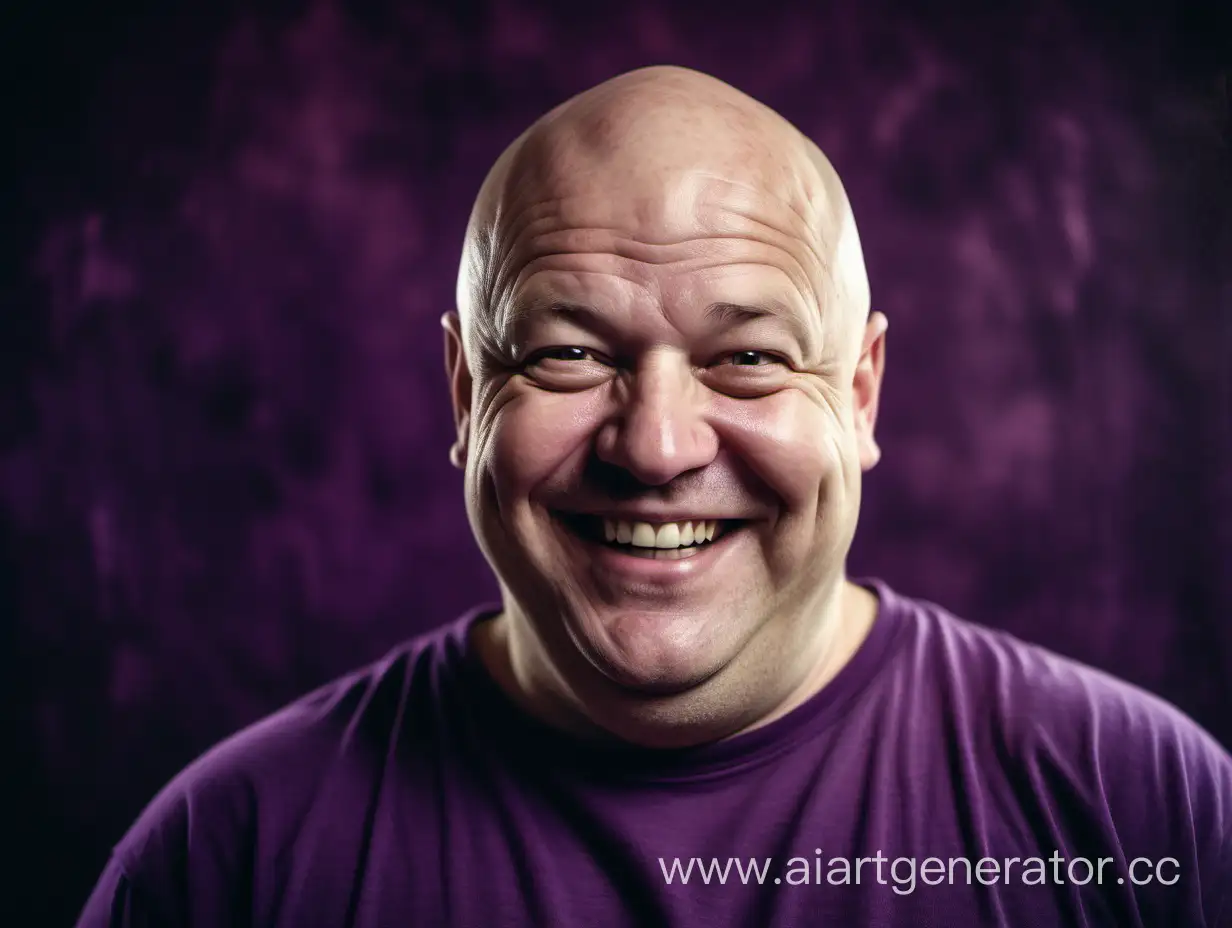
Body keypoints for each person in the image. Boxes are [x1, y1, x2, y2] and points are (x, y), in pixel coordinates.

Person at [76, 65, 1231, 928]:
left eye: (750, 357)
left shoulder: (1140, 811)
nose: (657, 444)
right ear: (466, 390)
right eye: (568, 355)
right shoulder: (226, 859)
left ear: (861, 394)